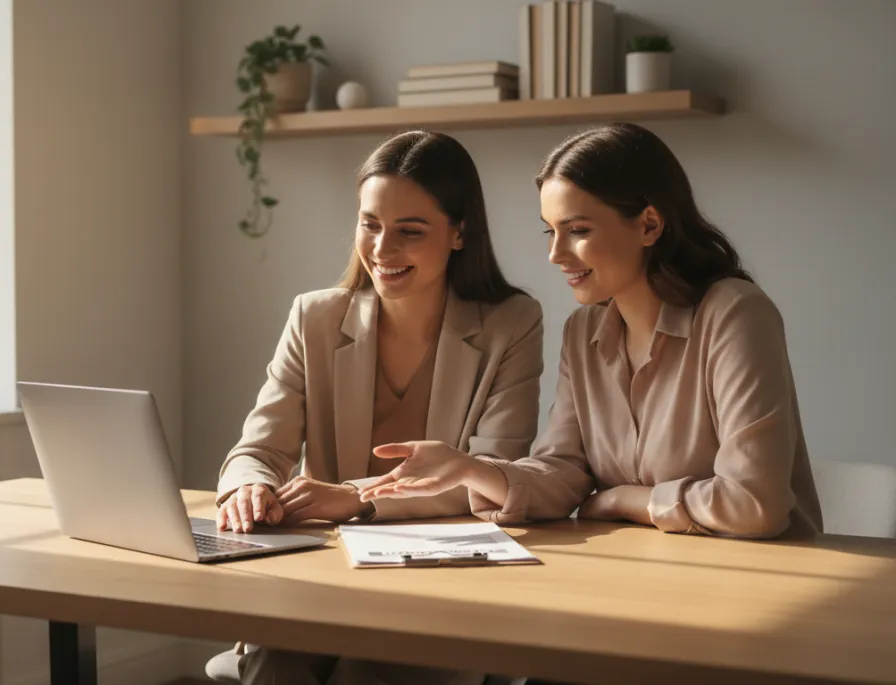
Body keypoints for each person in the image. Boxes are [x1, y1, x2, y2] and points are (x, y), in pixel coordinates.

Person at [358, 121, 823, 541]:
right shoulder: (584, 333)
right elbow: (562, 471)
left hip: (766, 583)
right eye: (550, 231)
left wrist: (625, 499)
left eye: (577, 229)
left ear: (649, 224)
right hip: (648, 580)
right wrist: (468, 469)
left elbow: (754, 505)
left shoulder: (736, 314)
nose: (556, 254)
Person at [216, 130, 544, 685]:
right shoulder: (314, 317)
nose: (382, 251)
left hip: (448, 580)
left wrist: (354, 499)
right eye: (370, 224)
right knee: (276, 660)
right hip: (323, 577)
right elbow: (259, 448)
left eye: (410, 232)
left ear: (459, 232)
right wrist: (248, 486)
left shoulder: (511, 324)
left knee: (372, 671)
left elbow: (490, 479)